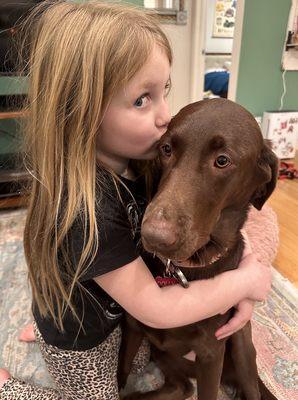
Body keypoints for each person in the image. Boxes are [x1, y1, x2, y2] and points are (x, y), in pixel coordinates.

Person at [0, 1, 272, 399]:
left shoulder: (144, 163)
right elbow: (157, 309)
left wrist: (247, 273)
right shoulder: (85, 208)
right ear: (81, 113)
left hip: (114, 312)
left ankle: (49, 321)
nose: (166, 116)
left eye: (165, 92)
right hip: (86, 343)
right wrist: (245, 282)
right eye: (142, 100)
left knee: (167, 350)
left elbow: (229, 233)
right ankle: (13, 383)